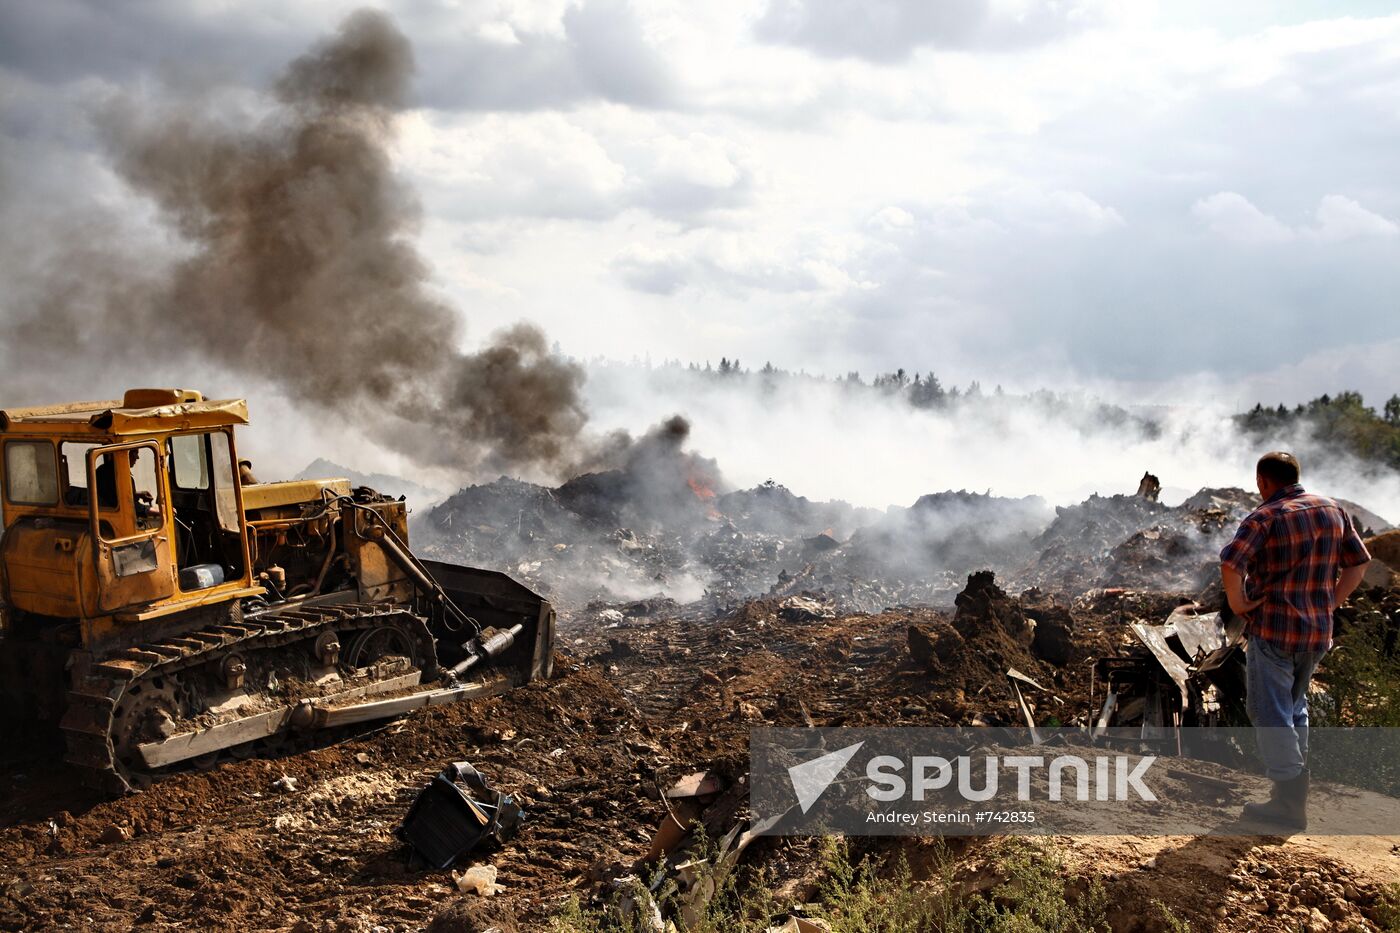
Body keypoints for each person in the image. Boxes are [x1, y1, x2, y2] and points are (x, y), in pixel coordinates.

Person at [1219, 451, 1370, 829]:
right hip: (1316, 631)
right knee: (1294, 707)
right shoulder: (1332, 509)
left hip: (1273, 629)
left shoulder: (1265, 516)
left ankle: (1288, 801)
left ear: (1263, 482)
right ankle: (1289, 794)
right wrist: (1331, 602)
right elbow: (1359, 563)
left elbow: (1230, 563)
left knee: (1270, 712)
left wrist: (1239, 603)